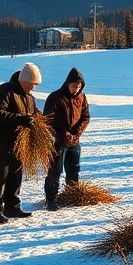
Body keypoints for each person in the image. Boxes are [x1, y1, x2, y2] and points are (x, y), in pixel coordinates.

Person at [0, 62, 42, 222]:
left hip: (18, 145)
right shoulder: (5, 90)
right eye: (30, 84)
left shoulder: (29, 97)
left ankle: (12, 207)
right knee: (0, 175)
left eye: (35, 85)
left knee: (15, 175)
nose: (32, 88)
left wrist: (39, 119)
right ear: (23, 80)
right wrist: (20, 119)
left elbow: (34, 113)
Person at [43, 68, 89, 211]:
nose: (76, 89)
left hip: (75, 141)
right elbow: (47, 120)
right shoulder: (55, 97)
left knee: (74, 170)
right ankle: (51, 200)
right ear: (67, 84)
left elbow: (85, 117)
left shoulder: (82, 97)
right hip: (58, 141)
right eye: (74, 86)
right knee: (55, 171)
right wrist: (63, 134)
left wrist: (77, 133)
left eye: (79, 86)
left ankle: (72, 196)